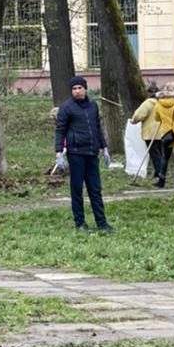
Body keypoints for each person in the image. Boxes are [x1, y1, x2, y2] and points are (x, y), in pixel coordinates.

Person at [54, 76, 115, 233]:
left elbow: (97, 127)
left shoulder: (93, 105)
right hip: (75, 154)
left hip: (92, 152)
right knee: (77, 189)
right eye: (74, 89)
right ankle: (80, 223)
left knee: (95, 189)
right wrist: (58, 152)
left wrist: (104, 147)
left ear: (85, 89)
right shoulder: (66, 107)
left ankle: (102, 223)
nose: (77, 91)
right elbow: (60, 130)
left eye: (79, 88)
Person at [130, 81, 162, 178]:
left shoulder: (148, 103)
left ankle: (160, 174)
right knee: (160, 153)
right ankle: (159, 172)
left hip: (151, 133)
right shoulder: (162, 103)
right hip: (163, 132)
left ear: (148, 93)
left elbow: (139, 115)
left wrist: (133, 120)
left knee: (155, 154)